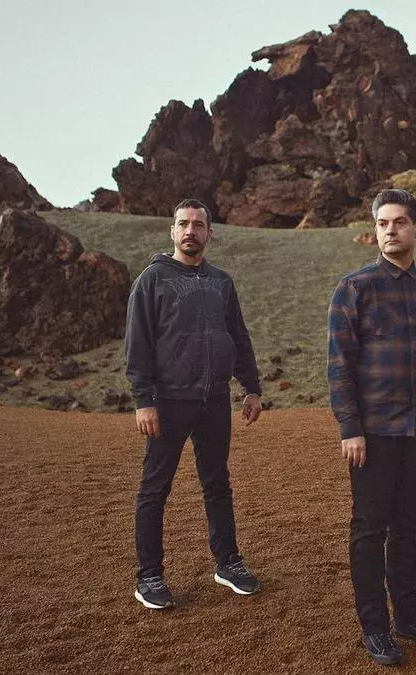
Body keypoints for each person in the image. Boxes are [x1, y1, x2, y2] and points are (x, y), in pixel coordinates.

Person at [327, 189, 416, 666]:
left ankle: (409, 617)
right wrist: (350, 428)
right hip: (374, 434)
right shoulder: (355, 288)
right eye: (382, 223)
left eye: (399, 222)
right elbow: (340, 366)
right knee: (369, 530)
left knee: (407, 528)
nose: (390, 230)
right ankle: (375, 628)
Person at [125, 198, 264, 610]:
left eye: (198, 225)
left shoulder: (222, 282)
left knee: (217, 482)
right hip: (168, 401)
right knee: (155, 488)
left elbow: (238, 336)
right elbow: (137, 343)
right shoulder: (152, 279)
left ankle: (228, 563)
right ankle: (149, 575)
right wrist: (143, 400)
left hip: (214, 400)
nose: (190, 231)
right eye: (183, 223)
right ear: (172, 231)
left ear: (209, 233)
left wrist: (251, 387)